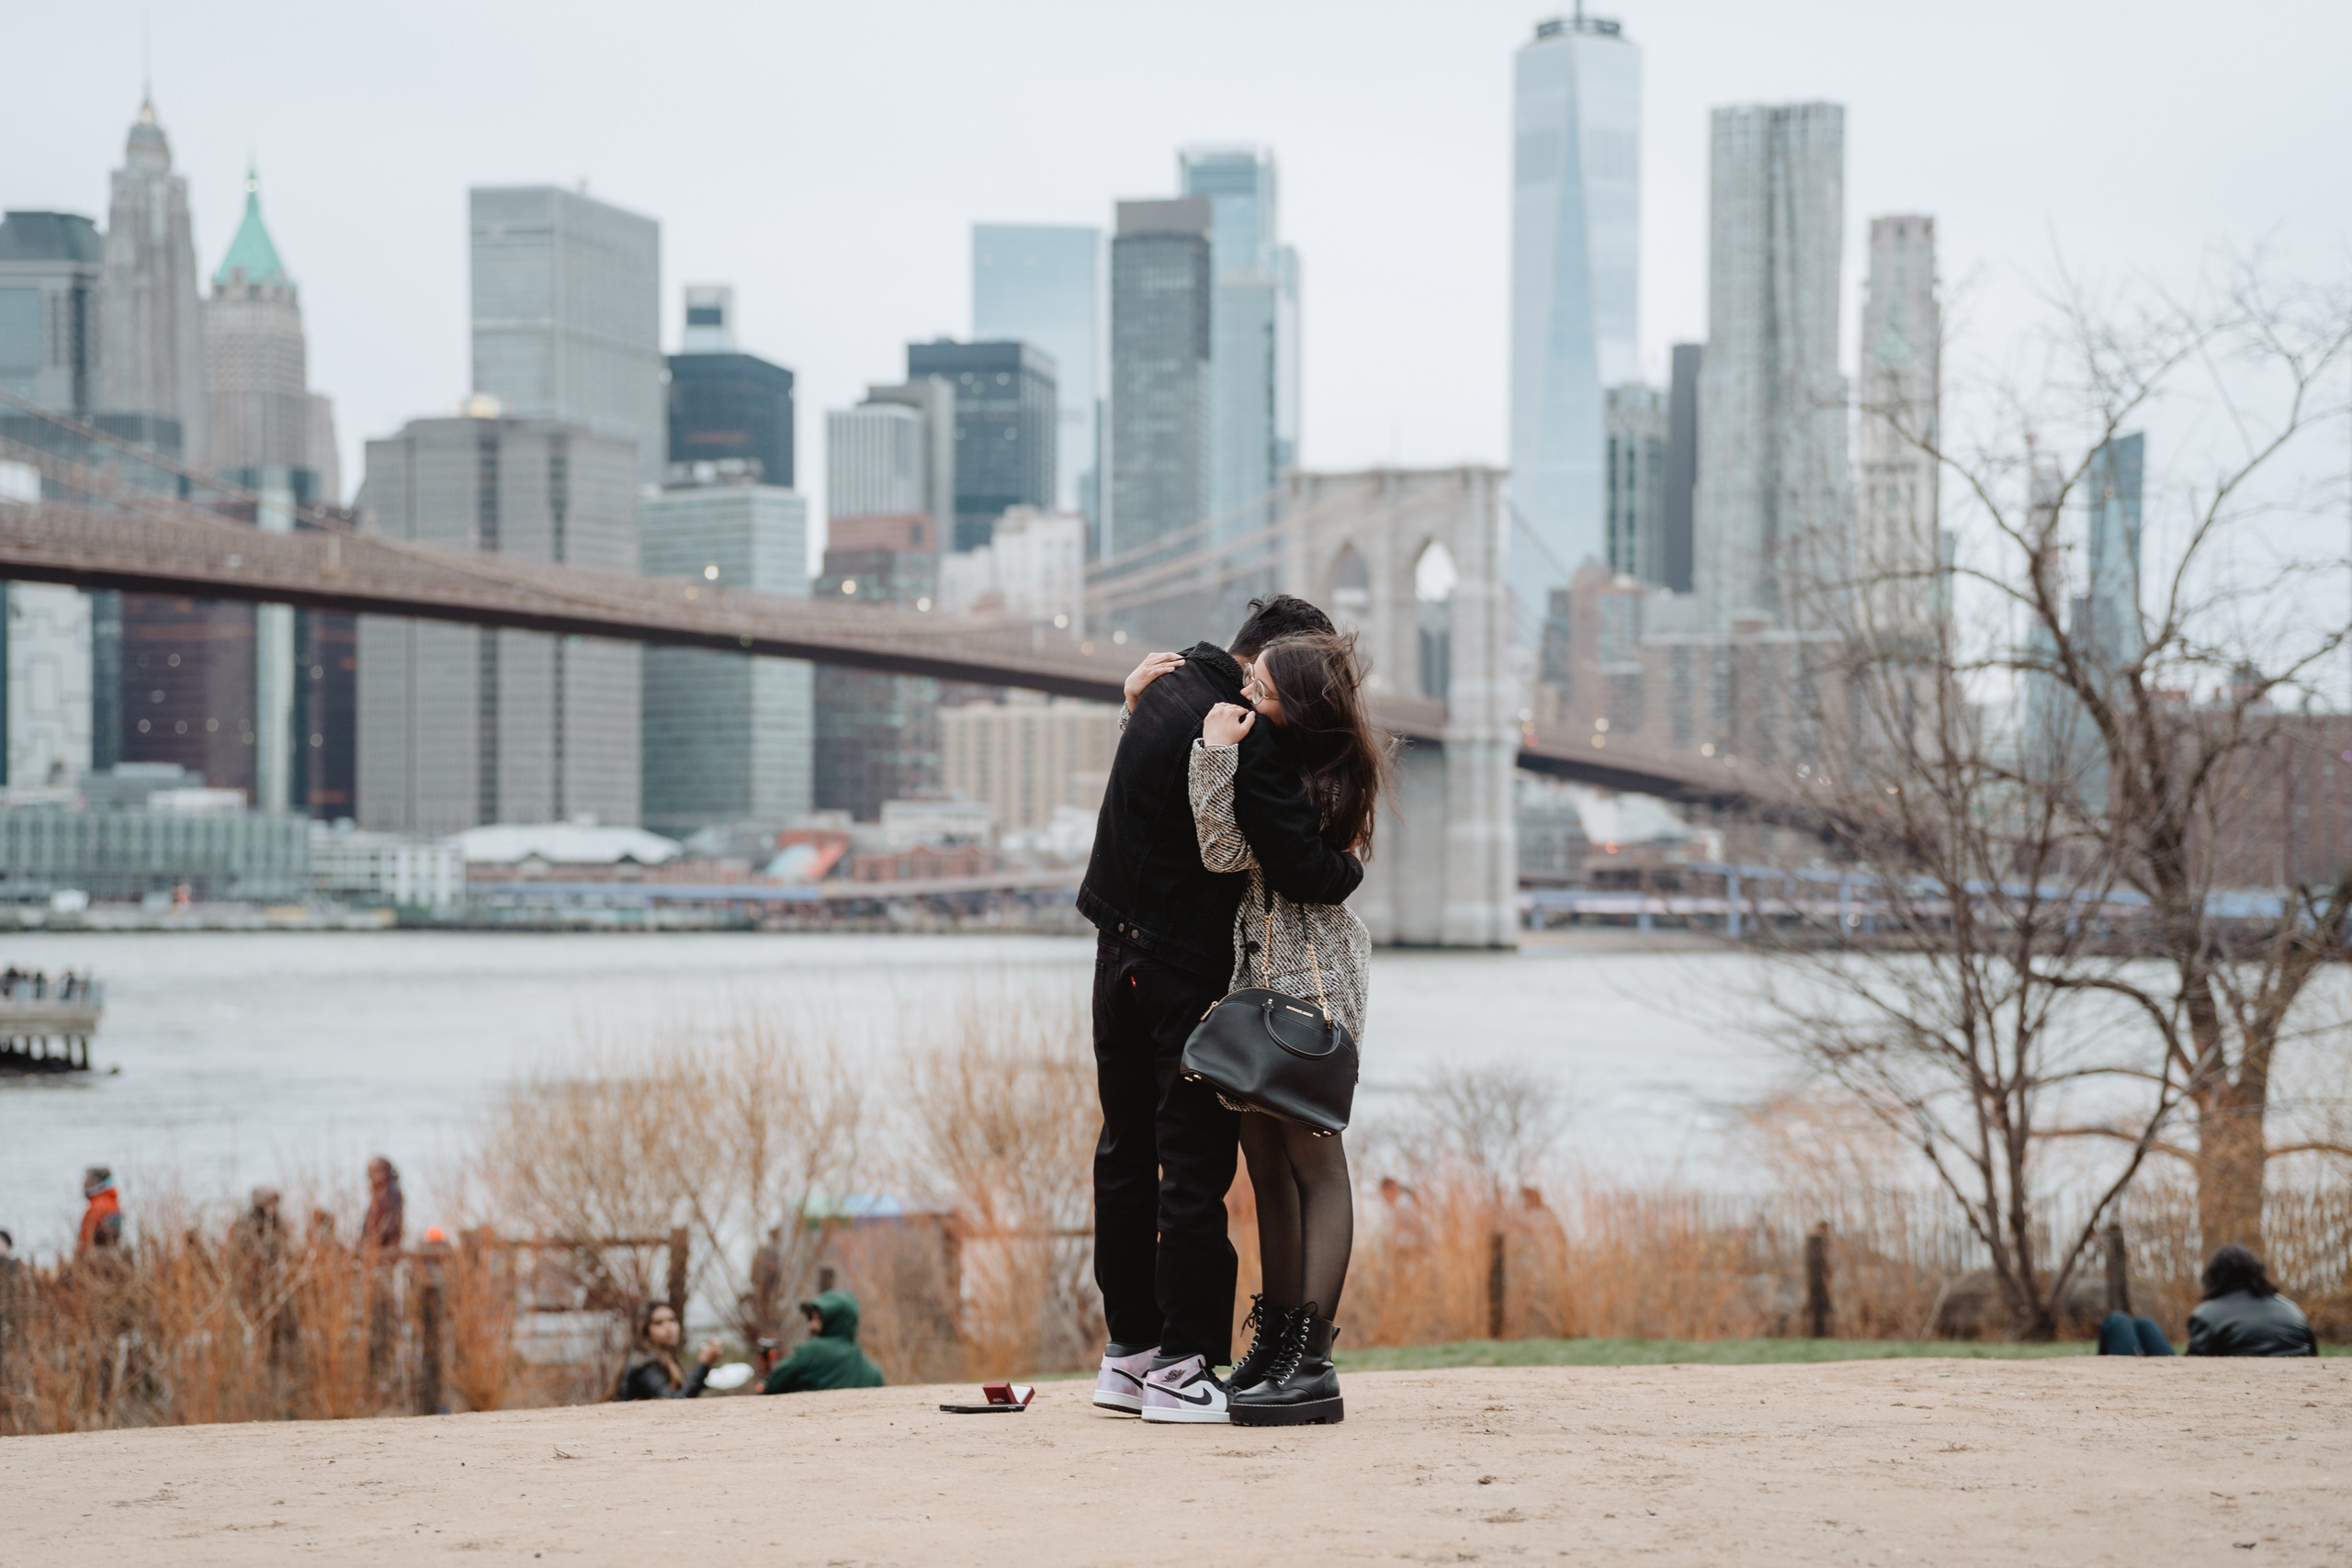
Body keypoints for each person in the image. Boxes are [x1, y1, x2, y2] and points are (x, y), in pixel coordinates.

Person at [1080, 595, 1364, 1426]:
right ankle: (1182, 1362)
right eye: (1265, 678)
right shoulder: (1244, 726)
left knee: (1126, 1155)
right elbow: (1241, 849)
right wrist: (1342, 873)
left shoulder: (1159, 693)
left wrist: (1129, 709)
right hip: (1189, 971)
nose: (1256, 693)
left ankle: (1129, 1355)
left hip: (1115, 952)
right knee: (1196, 1168)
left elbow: (1154, 800)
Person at [2187, 1245, 2320, 1357]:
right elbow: (2314, 1358)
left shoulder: (2206, 1315)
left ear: (2213, 1277)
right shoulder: (2293, 1310)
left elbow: (2194, 1370)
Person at [760, 1289, 886, 1393]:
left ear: (834, 1321)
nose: (811, 1325)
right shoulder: (873, 1373)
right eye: (811, 1318)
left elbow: (772, 1386)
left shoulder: (812, 1351)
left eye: (818, 1319)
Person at [614, 1299, 723, 1400]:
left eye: (672, 1320)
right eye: (658, 1323)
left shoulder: (662, 1357)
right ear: (645, 1330)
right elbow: (673, 1401)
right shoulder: (644, 1364)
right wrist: (703, 1363)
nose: (669, 1327)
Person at [77, 1166, 123, 1255]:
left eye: (87, 1182)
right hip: (111, 1253)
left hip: (96, 1256)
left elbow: (85, 1238)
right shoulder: (113, 1202)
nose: (84, 1184)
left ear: (95, 1182)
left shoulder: (98, 1206)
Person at [362, 1156, 403, 1251]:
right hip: (372, 1245)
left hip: (387, 1245)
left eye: (373, 1172)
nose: (370, 1177)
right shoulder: (376, 1193)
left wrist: (377, 1236)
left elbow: (392, 1220)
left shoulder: (392, 1193)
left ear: (383, 1172)